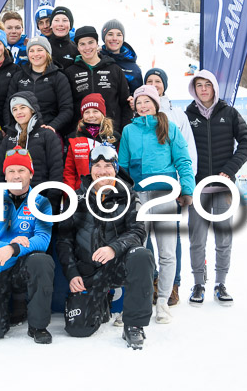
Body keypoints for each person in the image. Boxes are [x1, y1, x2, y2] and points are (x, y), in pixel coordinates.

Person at [57, 145, 154, 348]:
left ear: (116, 169)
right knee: (78, 329)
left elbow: (138, 232)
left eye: (108, 166)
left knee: (141, 255)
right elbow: (64, 239)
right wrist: (72, 272)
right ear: (90, 169)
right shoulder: (75, 198)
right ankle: (101, 303)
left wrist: (113, 248)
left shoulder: (129, 195)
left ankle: (134, 325)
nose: (102, 171)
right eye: (97, 165)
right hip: (87, 271)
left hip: (117, 265)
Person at [118, 84, 195, 324]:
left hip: (164, 193)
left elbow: (183, 160)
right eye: (139, 102)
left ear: (155, 103)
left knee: (167, 251)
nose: (143, 106)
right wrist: (127, 193)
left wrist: (187, 189)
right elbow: (122, 165)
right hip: (140, 195)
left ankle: (163, 300)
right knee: (138, 250)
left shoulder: (169, 128)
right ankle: (137, 301)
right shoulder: (129, 131)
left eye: (147, 101)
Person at [184, 70, 247, 306]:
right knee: (197, 239)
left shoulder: (229, 113)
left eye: (207, 85)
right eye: (199, 86)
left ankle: (220, 283)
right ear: (194, 90)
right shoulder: (188, 115)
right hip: (198, 189)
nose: (203, 89)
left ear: (214, 88)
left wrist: (231, 168)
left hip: (223, 188)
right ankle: (198, 284)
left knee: (224, 238)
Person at [0, 147, 55, 343]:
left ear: (31, 174)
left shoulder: (42, 202)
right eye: (11, 171)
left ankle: (38, 326)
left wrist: (14, 249)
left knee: (41, 261)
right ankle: (7, 308)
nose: (16, 175)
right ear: (5, 174)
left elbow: (42, 240)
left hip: (22, 269)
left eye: (21, 170)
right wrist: (6, 246)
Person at [142, 67, 197, 306]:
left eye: (158, 81)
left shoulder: (177, 115)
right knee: (145, 236)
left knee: (169, 236)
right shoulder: (139, 112)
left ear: (164, 85)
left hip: (169, 185)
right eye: (149, 81)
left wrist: (185, 185)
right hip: (145, 186)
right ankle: (153, 279)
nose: (154, 85)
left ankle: (173, 283)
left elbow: (187, 152)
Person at [0, 91, 63, 210]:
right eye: (14, 109)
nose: (18, 112)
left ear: (32, 109)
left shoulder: (47, 135)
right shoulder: (8, 139)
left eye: (23, 107)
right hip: (12, 203)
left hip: (40, 200)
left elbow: (56, 172)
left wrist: (51, 203)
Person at [64, 25, 133, 130]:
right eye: (82, 44)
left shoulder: (114, 69)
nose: (87, 48)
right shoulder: (70, 72)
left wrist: (123, 131)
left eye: (91, 42)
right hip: (81, 136)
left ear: (97, 44)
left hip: (112, 134)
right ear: (77, 47)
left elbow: (125, 104)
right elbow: (67, 107)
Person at [4, 36, 73, 135]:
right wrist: (12, 129)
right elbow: (8, 106)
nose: (35, 54)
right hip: (21, 131)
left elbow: (67, 109)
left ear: (47, 52)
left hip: (48, 131)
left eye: (39, 50)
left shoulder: (58, 77)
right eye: (31, 51)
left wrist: (52, 126)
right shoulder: (19, 76)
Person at [64, 94, 121, 191]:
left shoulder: (114, 137)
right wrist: (71, 195)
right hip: (81, 192)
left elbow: (121, 167)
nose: (91, 116)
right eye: (87, 112)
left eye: (95, 111)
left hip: (109, 192)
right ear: (82, 115)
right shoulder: (73, 138)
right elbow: (69, 172)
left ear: (103, 114)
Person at [100, 19, 143, 94]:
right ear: (104, 37)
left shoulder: (133, 69)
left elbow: (138, 97)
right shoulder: (96, 59)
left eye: (119, 35)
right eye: (110, 34)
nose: (114, 38)